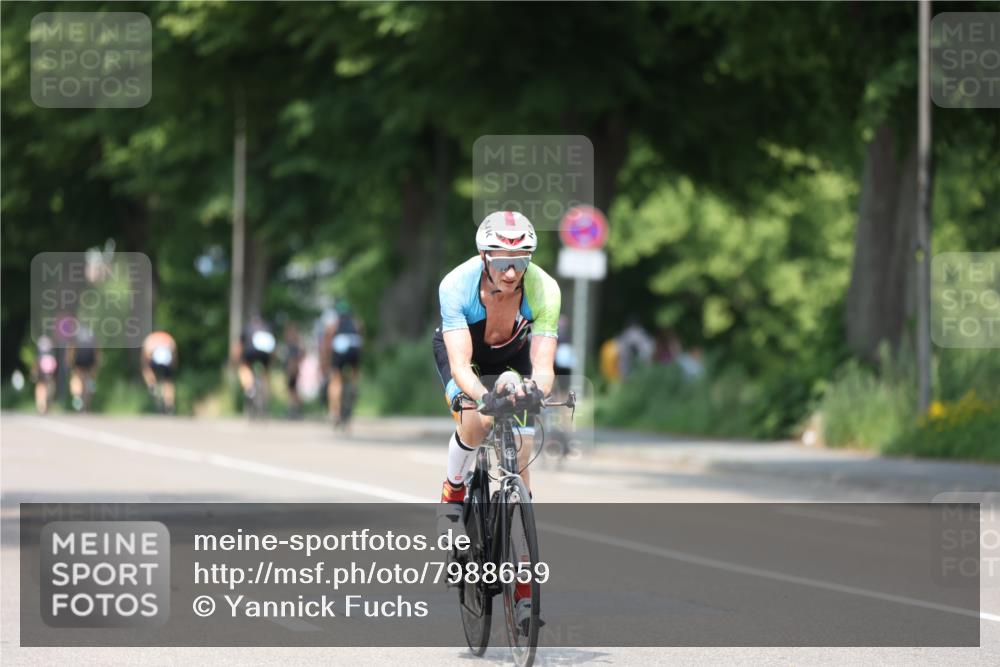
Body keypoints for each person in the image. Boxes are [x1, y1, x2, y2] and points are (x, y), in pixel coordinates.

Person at [432, 210, 560, 629]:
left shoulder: (544, 289)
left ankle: (523, 593)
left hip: (512, 355)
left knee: (521, 462)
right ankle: (453, 493)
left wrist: (535, 391)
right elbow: (461, 367)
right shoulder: (456, 285)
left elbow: (542, 367)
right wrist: (484, 398)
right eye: (503, 261)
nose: (511, 272)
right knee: (477, 420)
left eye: (521, 261)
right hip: (467, 355)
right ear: (484, 257)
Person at [321, 301, 364, 426]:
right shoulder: (357, 323)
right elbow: (361, 341)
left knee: (335, 379)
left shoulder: (335, 324)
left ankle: (334, 411)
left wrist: (326, 359)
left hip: (340, 347)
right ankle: (354, 392)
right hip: (355, 347)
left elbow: (327, 344)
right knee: (355, 375)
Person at [233, 314, 276, 409]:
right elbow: (273, 346)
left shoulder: (247, 328)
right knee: (265, 374)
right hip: (265, 354)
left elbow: (239, 346)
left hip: (250, 352)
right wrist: (271, 363)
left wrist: (236, 360)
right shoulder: (267, 328)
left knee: (244, 367)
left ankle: (249, 388)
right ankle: (265, 395)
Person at [140, 331, 178, 414]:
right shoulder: (168, 337)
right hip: (167, 358)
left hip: (156, 356)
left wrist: (145, 364)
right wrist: (174, 363)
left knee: (146, 369)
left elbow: (146, 353)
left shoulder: (151, 338)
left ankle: (152, 385)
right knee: (168, 381)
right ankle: (169, 405)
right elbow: (174, 350)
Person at [67, 326, 99, 412]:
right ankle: (86, 405)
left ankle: (78, 400)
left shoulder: (76, 333)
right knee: (87, 382)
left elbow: (72, 348)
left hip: (79, 361)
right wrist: (95, 365)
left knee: (77, 380)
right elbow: (96, 350)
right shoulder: (91, 334)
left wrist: (70, 361)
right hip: (89, 361)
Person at [282, 323, 304, 418]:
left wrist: (292, 368)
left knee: (292, 391)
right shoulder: (295, 344)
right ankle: (294, 410)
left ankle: (294, 410)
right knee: (293, 390)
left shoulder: (292, 345)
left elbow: (293, 359)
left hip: (292, 371)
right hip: (293, 370)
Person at [32, 335, 58, 414]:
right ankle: (46, 404)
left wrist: (34, 371)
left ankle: (41, 404)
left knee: (40, 386)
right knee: (49, 386)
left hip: (42, 368)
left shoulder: (40, 345)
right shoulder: (51, 347)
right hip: (50, 368)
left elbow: (37, 359)